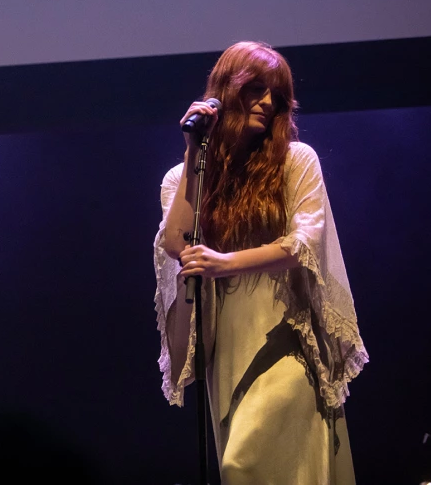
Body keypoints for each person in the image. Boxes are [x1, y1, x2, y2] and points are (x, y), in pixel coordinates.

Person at [153, 41, 369, 484]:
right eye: (256, 89)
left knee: (242, 463)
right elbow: (175, 243)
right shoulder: (183, 177)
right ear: (226, 92)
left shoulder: (295, 160)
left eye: (278, 96)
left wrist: (224, 262)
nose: (268, 103)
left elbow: (303, 244)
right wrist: (194, 152)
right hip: (228, 344)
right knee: (242, 471)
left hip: (284, 335)